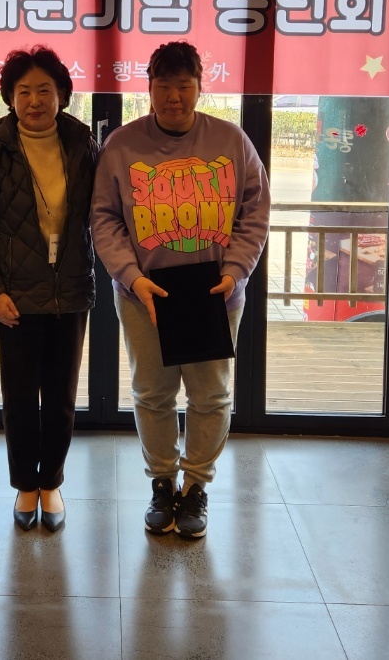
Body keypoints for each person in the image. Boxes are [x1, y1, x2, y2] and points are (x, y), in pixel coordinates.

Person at [91, 41, 269, 540]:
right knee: (153, 392)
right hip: (143, 292)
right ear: (149, 88)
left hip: (214, 290)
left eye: (184, 85)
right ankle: (162, 482)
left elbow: (255, 211)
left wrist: (235, 271)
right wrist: (131, 276)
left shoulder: (231, 141)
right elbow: (104, 218)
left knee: (210, 394)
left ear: (199, 86)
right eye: (163, 85)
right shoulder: (122, 145)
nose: (174, 96)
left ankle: (196, 486)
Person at [0, 47, 98, 533]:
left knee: (61, 398)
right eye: (24, 92)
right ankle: (25, 484)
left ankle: (51, 483)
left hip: (70, 290)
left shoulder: (81, 141)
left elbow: (103, 212)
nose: (35, 101)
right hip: (14, 293)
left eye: (45, 90)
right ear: (9, 97)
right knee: (20, 397)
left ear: (62, 95)